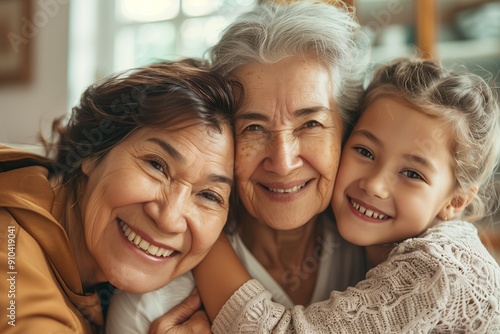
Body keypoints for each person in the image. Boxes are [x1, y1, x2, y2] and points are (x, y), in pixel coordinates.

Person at [105, 1, 370, 333]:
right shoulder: (155, 306)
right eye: (254, 128)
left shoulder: (384, 261)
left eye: (310, 124)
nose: (283, 162)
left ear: (347, 131)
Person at [192, 58, 500, 333]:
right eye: (365, 151)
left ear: (455, 201)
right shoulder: (368, 244)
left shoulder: (436, 268)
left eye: (412, 174)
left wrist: (199, 222)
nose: (374, 185)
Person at [0, 59, 236, 333]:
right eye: (156, 165)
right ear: (92, 151)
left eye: (209, 195)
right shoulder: (13, 254)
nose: (169, 219)